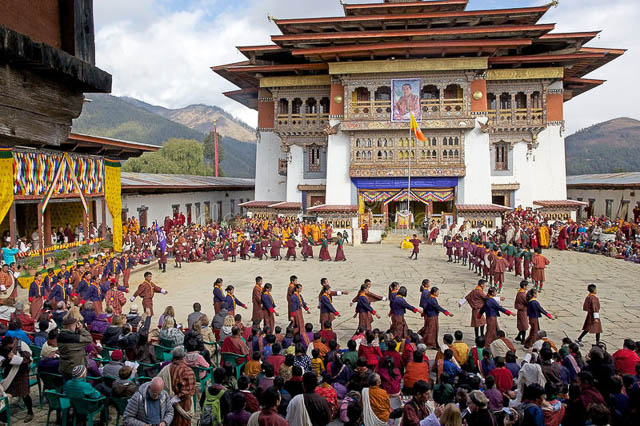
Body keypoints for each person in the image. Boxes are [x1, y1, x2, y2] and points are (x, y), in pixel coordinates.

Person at [157, 347, 196, 426]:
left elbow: (157, 383)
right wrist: (174, 400)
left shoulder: (166, 369)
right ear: (184, 357)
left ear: (173, 356)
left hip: (166, 404)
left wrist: (170, 401)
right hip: (182, 405)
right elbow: (187, 392)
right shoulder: (187, 371)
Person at [0, 336, 34, 422]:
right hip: (9, 373)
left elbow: (28, 360)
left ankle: (30, 412)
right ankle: (4, 417)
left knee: (25, 393)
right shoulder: (4, 348)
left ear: (11, 344)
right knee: (5, 393)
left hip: (21, 373)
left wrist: (14, 358)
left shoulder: (21, 346)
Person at [514, 280, 529, 344]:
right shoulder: (522, 294)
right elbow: (527, 302)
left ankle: (518, 337)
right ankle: (523, 340)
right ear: (524, 286)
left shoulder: (520, 293)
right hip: (522, 311)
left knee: (522, 325)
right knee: (524, 326)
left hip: (522, 311)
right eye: (527, 285)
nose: (527, 287)